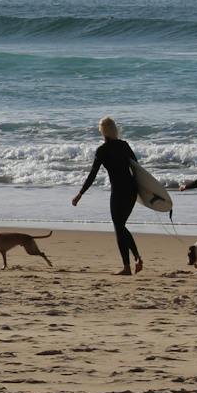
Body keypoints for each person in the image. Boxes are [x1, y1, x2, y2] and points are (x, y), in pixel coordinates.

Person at [72, 117, 143, 275]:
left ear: (102, 131)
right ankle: (136, 258)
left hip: (118, 191)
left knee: (119, 227)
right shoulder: (124, 145)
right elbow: (137, 168)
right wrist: (145, 191)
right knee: (121, 225)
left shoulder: (102, 150)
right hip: (131, 189)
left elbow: (92, 175)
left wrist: (80, 194)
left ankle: (128, 266)